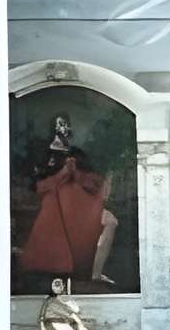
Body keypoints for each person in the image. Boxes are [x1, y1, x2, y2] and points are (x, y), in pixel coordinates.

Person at [17, 114, 117, 286]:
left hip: (81, 209)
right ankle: (93, 273)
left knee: (110, 222)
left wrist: (75, 173)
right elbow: (40, 186)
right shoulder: (47, 157)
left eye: (64, 125)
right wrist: (64, 173)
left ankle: (95, 273)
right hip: (59, 211)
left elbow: (93, 183)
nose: (62, 129)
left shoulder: (79, 156)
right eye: (59, 125)